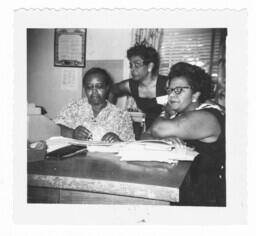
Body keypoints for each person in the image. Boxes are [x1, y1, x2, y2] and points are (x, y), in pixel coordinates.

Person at [142, 62, 225, 206]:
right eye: (170, 90)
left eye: (179, 90)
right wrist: (164, 141)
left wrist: (165, 112)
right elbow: (144, 136)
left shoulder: (209, 115)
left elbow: (158, 129)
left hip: (203, 200)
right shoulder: (179, 114)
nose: (171, 95)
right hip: (177, 187)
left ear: (195, 95)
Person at [54, 67, 135, 143]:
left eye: (99, 87)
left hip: (106, 157)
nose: (94, 92)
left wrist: (118, 141)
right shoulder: (74, 107)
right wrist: (72, 133)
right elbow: (54, 128)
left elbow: (131, 146)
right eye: (89, 87)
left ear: (107, 88)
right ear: (84, 88)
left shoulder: (122, 115)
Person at [108, 43, 168, 129]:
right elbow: (112, 91)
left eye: (137, 65)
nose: (132, 69)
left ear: (150, 66)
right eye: (131, 65)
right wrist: (109, 114)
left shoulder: (166, 84)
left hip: (170, 127)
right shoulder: (129, 85)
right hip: (150, 129)